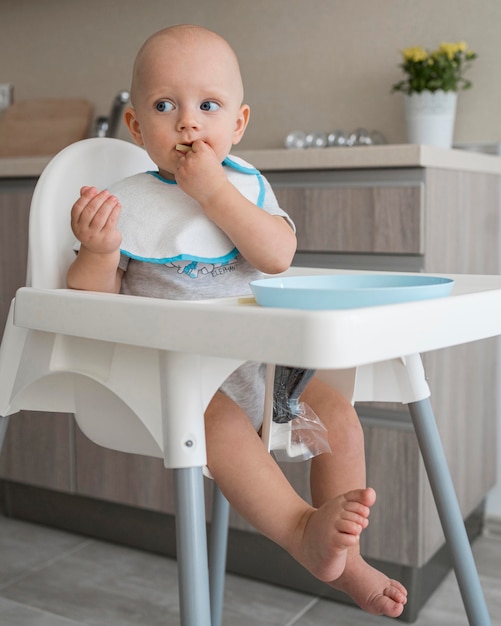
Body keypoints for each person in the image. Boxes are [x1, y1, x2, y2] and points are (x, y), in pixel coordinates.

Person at [67, 24, 407, 618]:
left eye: (209, 106)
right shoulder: (126, 204)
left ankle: (346, 560)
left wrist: (216, 194)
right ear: (138, 126)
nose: (188, 123)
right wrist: (97, 252)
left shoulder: (245, 189)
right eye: (165, 105)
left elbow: (276, 255)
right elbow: (90, 304)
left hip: (265, 372)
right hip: (180, 380)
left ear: (239, 124)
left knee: (337, 417)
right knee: (220, 424)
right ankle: (302, 532)